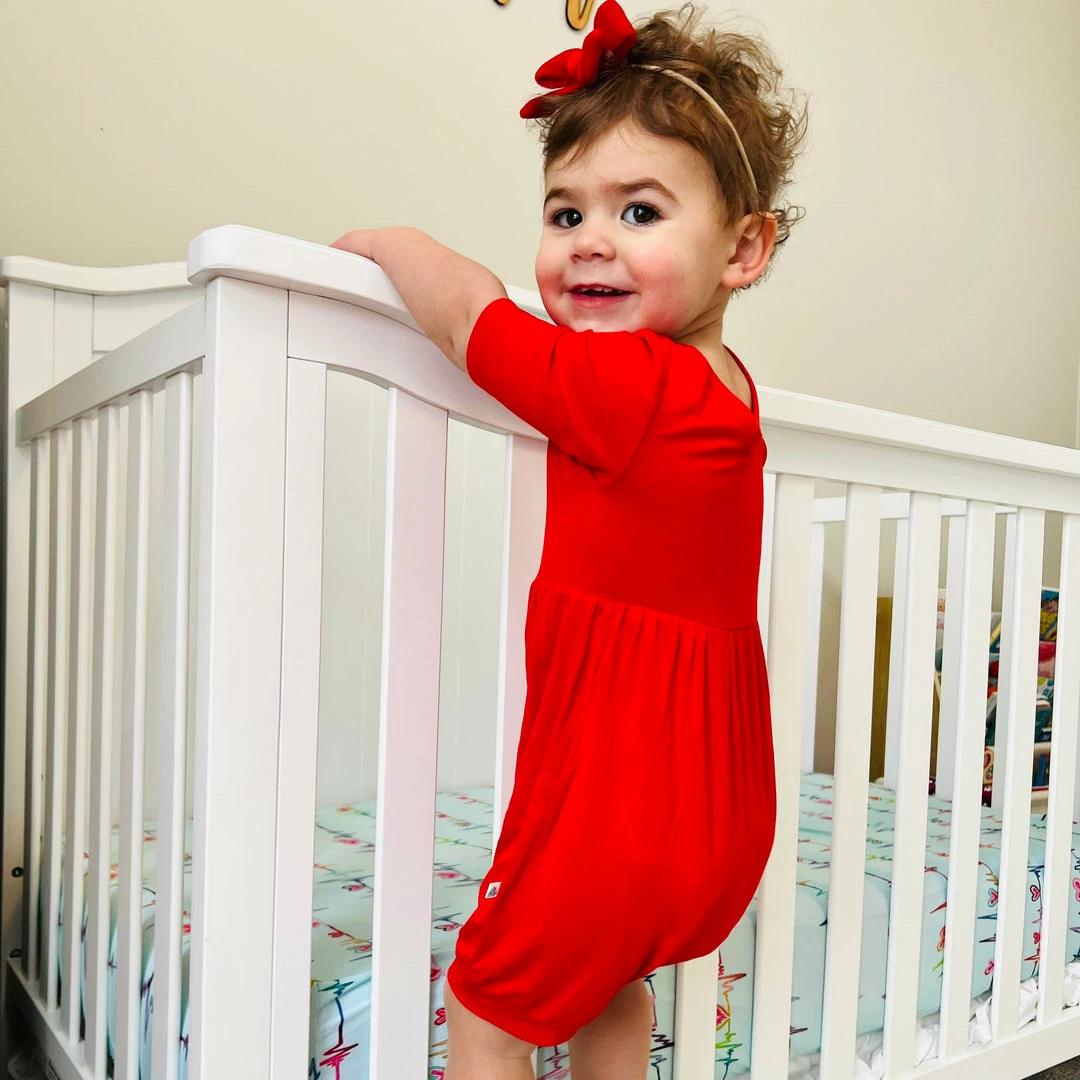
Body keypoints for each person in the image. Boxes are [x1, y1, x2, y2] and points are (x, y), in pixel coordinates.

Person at [332, 2, 807, 1076]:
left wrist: (392, 245)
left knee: (488, 1000)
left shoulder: (632, 384)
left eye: (639, 211)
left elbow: (473, 322)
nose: (590, 239)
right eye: (563, 211)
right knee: (608, 985)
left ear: (744, 248)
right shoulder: (726, 391)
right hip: (715, 813)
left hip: (617, 809)